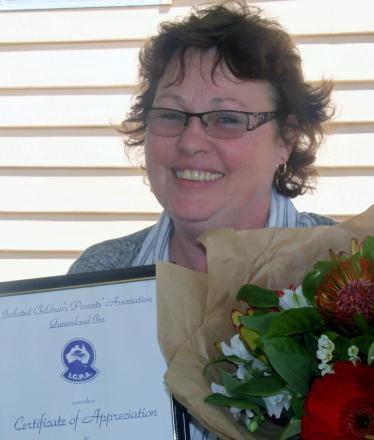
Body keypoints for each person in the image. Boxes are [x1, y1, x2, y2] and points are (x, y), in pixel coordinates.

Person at [69, 1, 335, 438]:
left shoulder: (359, 275)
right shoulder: (97, 279)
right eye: (171, 114)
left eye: (227, 119)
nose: (191, 141)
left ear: (287, 137)